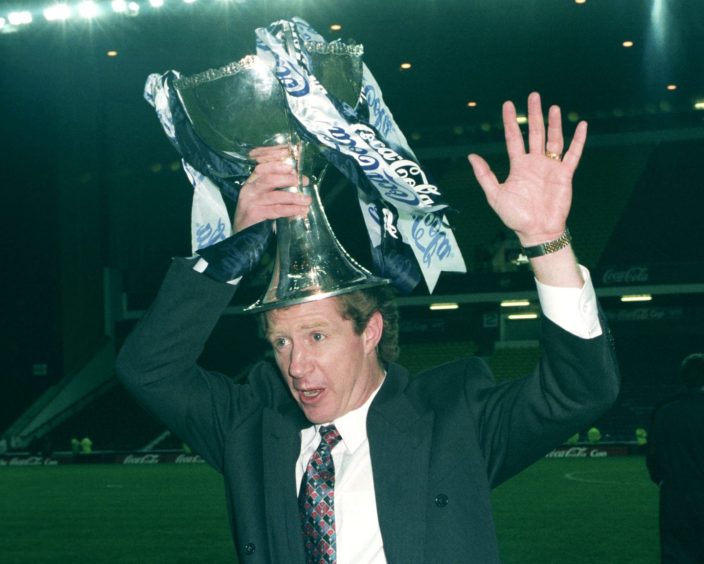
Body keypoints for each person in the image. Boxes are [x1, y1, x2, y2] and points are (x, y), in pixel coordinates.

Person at [116, 92, 619, 563]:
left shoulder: (452, 420)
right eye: (280, 342)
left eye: (317, 336)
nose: (296, 365)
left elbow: (579, 391)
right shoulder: (248, 427)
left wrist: (545, 239)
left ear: (370, 331)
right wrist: (225, 263)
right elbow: (148, 370)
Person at [646, 353, 704, 564]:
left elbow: (653, 458)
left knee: (677, 554)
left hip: (675, 496)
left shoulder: (665, 411)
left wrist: (666, 481)